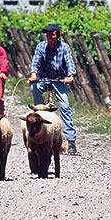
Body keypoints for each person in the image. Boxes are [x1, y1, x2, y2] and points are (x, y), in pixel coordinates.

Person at [27, 22, 77, 155]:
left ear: (58, 35)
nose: (50, 37)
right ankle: (40, 112)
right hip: (44, 78)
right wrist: (33, 75)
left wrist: (70, 76)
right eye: (48, 35)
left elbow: (70, 63)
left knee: (65, 107)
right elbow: (36, 62)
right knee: (35, 88)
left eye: (53, 35)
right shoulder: (41, 46)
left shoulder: (64, 47)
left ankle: (71, 141)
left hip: (59, 79)